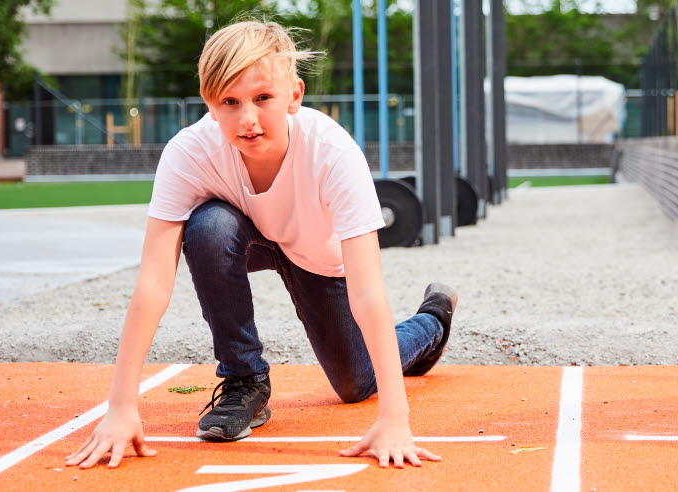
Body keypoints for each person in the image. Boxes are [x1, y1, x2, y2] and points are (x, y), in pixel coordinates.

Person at [65, 20, 454, 470]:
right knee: (208, 227)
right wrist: (121, 407)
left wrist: (395, 417)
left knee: (354, 383)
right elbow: (153, 282)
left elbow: (367, 292)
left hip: (316, 258)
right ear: (210, 105)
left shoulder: (332, 152)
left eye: (262, 98)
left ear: (294, 95)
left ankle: (431, 322)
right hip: (243, 239)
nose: (246, 119)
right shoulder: (189, 153)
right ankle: (244, 381)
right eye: (229, 102)